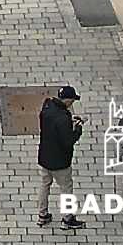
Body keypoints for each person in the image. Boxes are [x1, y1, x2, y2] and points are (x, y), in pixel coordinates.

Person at [37, 87, 87, 228]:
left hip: (45, 157)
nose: (72, 103)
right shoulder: (63, 118)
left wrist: (69, 121)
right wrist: (78, 129)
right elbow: (68, 141)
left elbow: (53, 124)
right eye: (72, 100)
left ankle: (42, 215)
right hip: (60, 161)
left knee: (45, 185)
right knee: (66, 189)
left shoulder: (47, 106)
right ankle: (67, 218)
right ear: (68, 100)